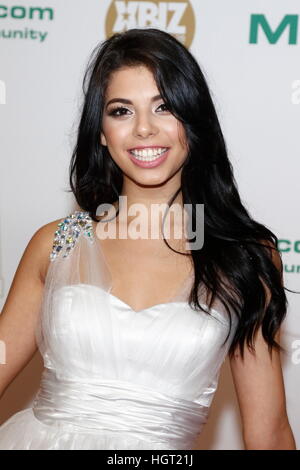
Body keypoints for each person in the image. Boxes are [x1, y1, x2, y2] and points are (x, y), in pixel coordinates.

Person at [0, 28, 297, 450]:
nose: (143, 129)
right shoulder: (57, 243)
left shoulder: (245, 258)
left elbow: (268, 433)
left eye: (164, 107)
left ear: (193, 121)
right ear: (101, 132)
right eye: (121, 111)